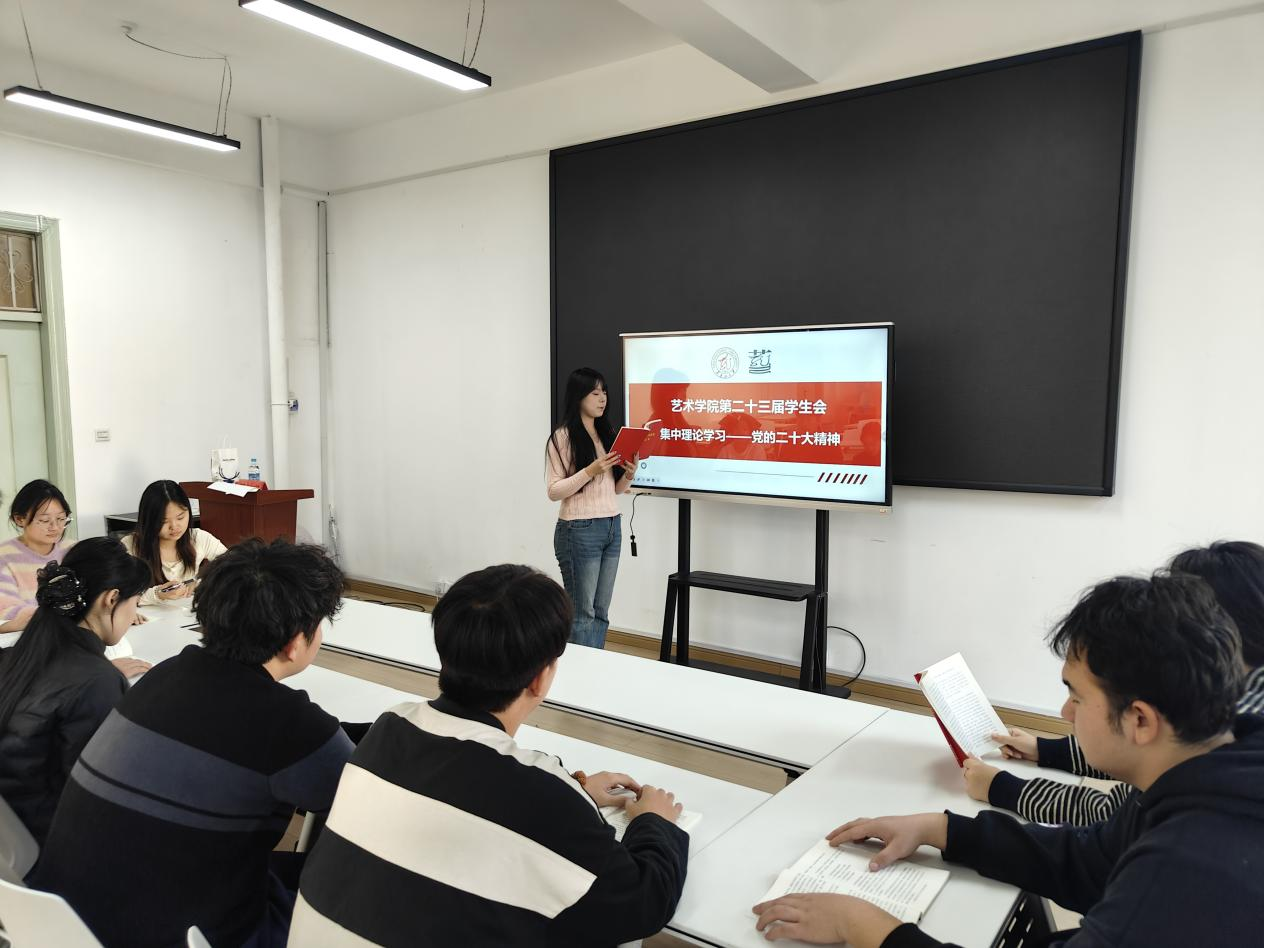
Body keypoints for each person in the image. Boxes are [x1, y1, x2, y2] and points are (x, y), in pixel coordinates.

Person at [751, 572, 1264, 947]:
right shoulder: (1211, 766)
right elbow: (1088, 860)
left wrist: (865, 926)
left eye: (1077, 697)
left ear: (1141, 721)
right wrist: (940, 828)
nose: (1064, 713)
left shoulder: (1188, 869)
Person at [290, 564, 690, 946]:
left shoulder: (391, 726)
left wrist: (574, 789)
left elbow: (470, 782)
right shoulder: (544, 797)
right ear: (541, 678)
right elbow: (644, 901)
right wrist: (655, 822)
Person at [32, 539, 359, 948]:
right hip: (175, 934)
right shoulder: (292, 724)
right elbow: (371, 803)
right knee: (363, 894)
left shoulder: (164, 675)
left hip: (65, 923)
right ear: (296, 641)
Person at [962, 539, 1264, 824]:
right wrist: (1045, 750)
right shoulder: (1233, 690)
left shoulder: (1237, 725)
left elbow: (1117, 817)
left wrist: (1003, 788)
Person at [0, 536, 149, 843]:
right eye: (135, 603)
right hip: (53, 842)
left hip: (14, 838)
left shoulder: (22, 653)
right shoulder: (96, 681)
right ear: (111, 599)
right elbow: (101, 796)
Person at [546, 367, 638, 648]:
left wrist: (629, 474)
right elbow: (554, 491)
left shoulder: (607, 434)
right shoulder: (562, 437)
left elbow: (615, 489)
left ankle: (596, 666)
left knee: (600, 612)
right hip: (579, 528)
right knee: (582, 614)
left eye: (604, 392)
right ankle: (578, 671)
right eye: (595, 393)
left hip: (612, 526)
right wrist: (590, 471)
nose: (602, 398)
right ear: (579, 397)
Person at [122, 479, 227, 606]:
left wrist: (201, 583)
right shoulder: (130, 546)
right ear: (149, 520)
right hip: (146, 617)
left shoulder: (198, 538)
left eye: (180, 517)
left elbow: (234, 567)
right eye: (164, 521)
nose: (174, 526)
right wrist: (158, 594)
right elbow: (119, 594)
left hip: (185, 614)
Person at [0, 479, 75, 633]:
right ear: (19, 519)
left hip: (71, 632)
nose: (55, 527)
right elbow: (5, 608)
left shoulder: (73, 550)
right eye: (44, 520)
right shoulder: (5, 556)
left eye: (61, 519)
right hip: (26, 636)